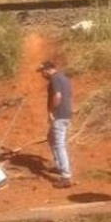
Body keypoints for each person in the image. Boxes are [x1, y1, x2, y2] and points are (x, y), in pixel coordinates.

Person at [37, 60, 73, 188]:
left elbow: (58, 96)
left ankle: (66, 176)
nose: (41, 75)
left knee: (59, 144)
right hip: (65, 114)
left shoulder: (54, 78)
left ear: (47, 69)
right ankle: (59, 166)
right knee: (51, 138)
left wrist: (51, 111)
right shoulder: (64, 78)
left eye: (42, 72)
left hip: (59, 115)